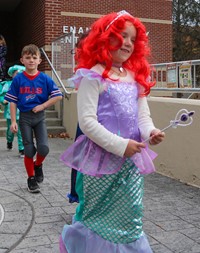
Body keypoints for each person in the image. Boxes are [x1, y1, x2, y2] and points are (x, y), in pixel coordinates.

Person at [59, 10, 165, 253]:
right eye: (121, 35)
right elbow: (87, 122)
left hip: (130, 164)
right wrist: (120, 145)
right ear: (105, 37)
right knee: (98, 216)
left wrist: (150, 132)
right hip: (100, 163)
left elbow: (142, 116)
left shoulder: (134, 77)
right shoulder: (92, 75)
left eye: (132, 38)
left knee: (131, 215)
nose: (127, 42)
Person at [5, 44, 63, 193]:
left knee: (44, 148)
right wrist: (13, 121)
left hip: (39, 117)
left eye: (34, 57)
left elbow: (58, 96)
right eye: (28, 57)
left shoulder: (44, 79)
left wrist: (43, 106)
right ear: (22, 60)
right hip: (24, 118)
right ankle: (31, 178)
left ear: (39, 60)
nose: (31, 60)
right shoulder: (18, 79)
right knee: (29, 149)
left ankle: (38, 165)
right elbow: (12, 100)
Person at [0, 65, 25, 157]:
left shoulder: (25, 85)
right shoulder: (8, 85)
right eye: (17, 74)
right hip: (10, 113)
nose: (19, 75)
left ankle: (22, 149)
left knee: (21, 132)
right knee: (10, 131)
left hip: (23, 112)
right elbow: (2, 96)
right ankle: (9, 141)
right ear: (13, 75)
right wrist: (4, 101)